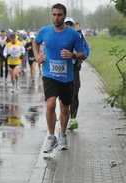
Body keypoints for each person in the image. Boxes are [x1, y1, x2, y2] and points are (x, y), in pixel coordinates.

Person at [33, 3, 85, 153]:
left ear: (64, 15)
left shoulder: (73, 34)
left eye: (59, 15)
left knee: (64, 107)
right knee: (50, 105)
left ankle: (62, 135)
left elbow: (82, 54)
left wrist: (73, 55)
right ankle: (51, 137)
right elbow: (35, 42)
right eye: (54, 15)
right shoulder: (45, 31)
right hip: (49, 74)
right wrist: (37, 55)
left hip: (66, 77)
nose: (56, 17)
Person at [64, 17, 90, 131]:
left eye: (71, 24)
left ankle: (73, 118)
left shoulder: (79, 36)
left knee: (74, 93)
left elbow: (86, 49)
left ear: (74, 25)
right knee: (64, 95)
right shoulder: (59, 35)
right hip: (62, 69)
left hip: (74, 68)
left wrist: (81, 57)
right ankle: (64, 117)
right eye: (67, 24)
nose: (69, 26)